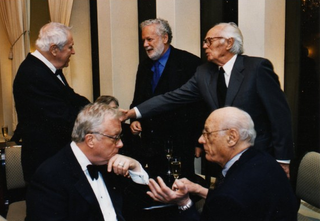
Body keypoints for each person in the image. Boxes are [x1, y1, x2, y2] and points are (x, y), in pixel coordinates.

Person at [123, 22, 293, 178]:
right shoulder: (204, 73)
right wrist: (134, 112)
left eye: (209, 41)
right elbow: (172, 98)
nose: (204, 45)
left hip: (257, 155)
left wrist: (282, 160)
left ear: (229, 43)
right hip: (223, 158)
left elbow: (280, 116)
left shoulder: (256, 69)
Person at [147, 107, 299, 221]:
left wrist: (184, 203)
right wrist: (199, 189)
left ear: (232, 137)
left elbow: (229, 200)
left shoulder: (229, 198)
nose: (200, 140)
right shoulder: (263, 159)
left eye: (207, 133)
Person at [25, 103, 149, 221]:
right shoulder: (50, 177)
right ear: (90, 140)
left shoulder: (109, 162)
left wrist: (136, 167)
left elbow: (141, 208)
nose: (121, 144)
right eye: (115, 138)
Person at [13, 22, 91, 182]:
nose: (73, 51)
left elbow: (71, 98)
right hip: (45, 163)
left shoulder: (47, 69)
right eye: (70, 47)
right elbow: (63, 116)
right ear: (54, 49)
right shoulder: (32, 74)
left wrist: (98, 109)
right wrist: (97, 120)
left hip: (55, 159)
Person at [130, 18, 205, 181]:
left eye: (149, 39)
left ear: (165, 38)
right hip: (151, 144)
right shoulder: (143, 66)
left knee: (182, 188)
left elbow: (200, 106)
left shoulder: (190, 63)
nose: (145, 45)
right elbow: (138, 99)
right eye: (143, 40)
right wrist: (134, 120)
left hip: (181, 142)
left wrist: (199, 142)